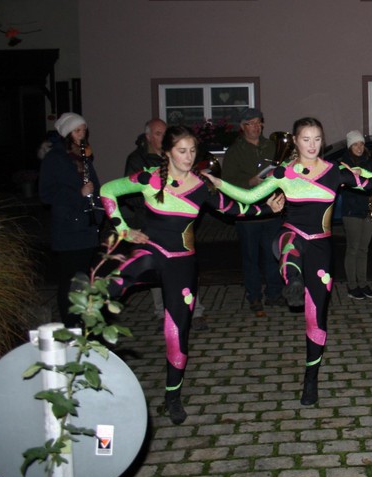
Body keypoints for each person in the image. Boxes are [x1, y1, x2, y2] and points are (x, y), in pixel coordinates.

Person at [99, 125, 284, 424]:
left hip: (181, 264)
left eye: (193, 151)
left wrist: (267, 210)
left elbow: (235, 209)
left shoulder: (200, 187)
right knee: (105, 290)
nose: (188, 157)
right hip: (149, 254)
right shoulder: (149, 178)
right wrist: (123, 229)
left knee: (176, 332)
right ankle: (89, 354)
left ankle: (172, 396)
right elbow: (107, 190)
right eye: (182, 151)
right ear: (167, 152)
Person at [211, 117, 372, 406]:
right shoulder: (283, 173)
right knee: (288, 243)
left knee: (316, 317)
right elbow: (248, 196)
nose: (312, 145)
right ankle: (292, 279)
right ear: (295, 141)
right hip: (291, 235)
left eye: (317, 139)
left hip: (321, 246)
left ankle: (311, 378)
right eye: (306, 139)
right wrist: (218, 182)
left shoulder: (335, 171)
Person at [122, 119, 209, 330]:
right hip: (149, 225)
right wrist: (155, 202)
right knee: (154, 269)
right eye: (158, 133)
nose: (162, 137)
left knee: (184, 268)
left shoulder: (181, 159)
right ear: (148, 137)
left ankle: (192, 311)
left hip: (179, 230)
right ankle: (162, 311)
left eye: (164, 133)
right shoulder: (137, 160)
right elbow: (127, 194)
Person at [39, 112, 101, 327]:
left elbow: (95, 187)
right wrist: (78, 195)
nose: (82, 134)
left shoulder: (84, 156)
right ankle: (71, 322)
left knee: (84, 277)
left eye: (84, 130)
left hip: (87, 226)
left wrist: (99, 210)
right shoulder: (55, 158)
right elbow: (46, 194)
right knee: (70, 278)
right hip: (68, 228)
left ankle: (83, 318)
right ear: (67, 133)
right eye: (77, 130)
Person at [222, 107, 284, 316]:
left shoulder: (271, 146)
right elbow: (227, 182)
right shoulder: (234, 151)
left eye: (259, 122)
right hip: (247, 213)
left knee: (273, 255)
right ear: (243, 126)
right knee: (250, 258)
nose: (256, 127)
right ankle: (254, 296)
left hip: (271, 209)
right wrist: (251, 181)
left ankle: (274, 293)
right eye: (251, 123)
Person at [340, 130, 372, 300]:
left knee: (364, 249)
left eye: (361, 144)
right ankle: (352, 285)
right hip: (352, 210)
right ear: (350, 146)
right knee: (353, 248)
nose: (359, 147)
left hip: (368, 209)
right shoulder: (344, 163)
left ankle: (363, 284)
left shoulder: (369, 162)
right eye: (355, 144)